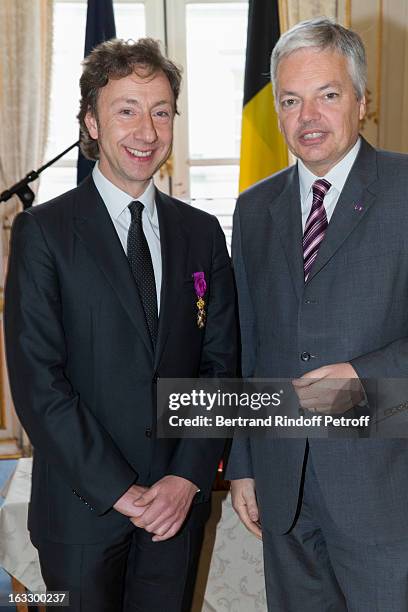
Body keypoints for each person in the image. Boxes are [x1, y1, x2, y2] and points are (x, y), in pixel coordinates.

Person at [4, 38, 236, 612]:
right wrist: (121, 491)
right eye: (126, 110)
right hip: (81, 511)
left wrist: (186, 479)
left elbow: (220, 366)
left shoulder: (202, 233)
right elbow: (39, 381)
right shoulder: (43, 233)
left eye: (161, 112)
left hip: (174, 513)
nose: (146, 131)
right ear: (91, 121)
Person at [227, 17, 408, 611]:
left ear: (362, 100)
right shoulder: (253, 211)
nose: (308, 117)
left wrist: (363, 376)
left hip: (385, 490)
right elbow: (248, 345)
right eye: (290, 100)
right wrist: (245, 464)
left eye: (327, 95)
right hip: (285, 491)